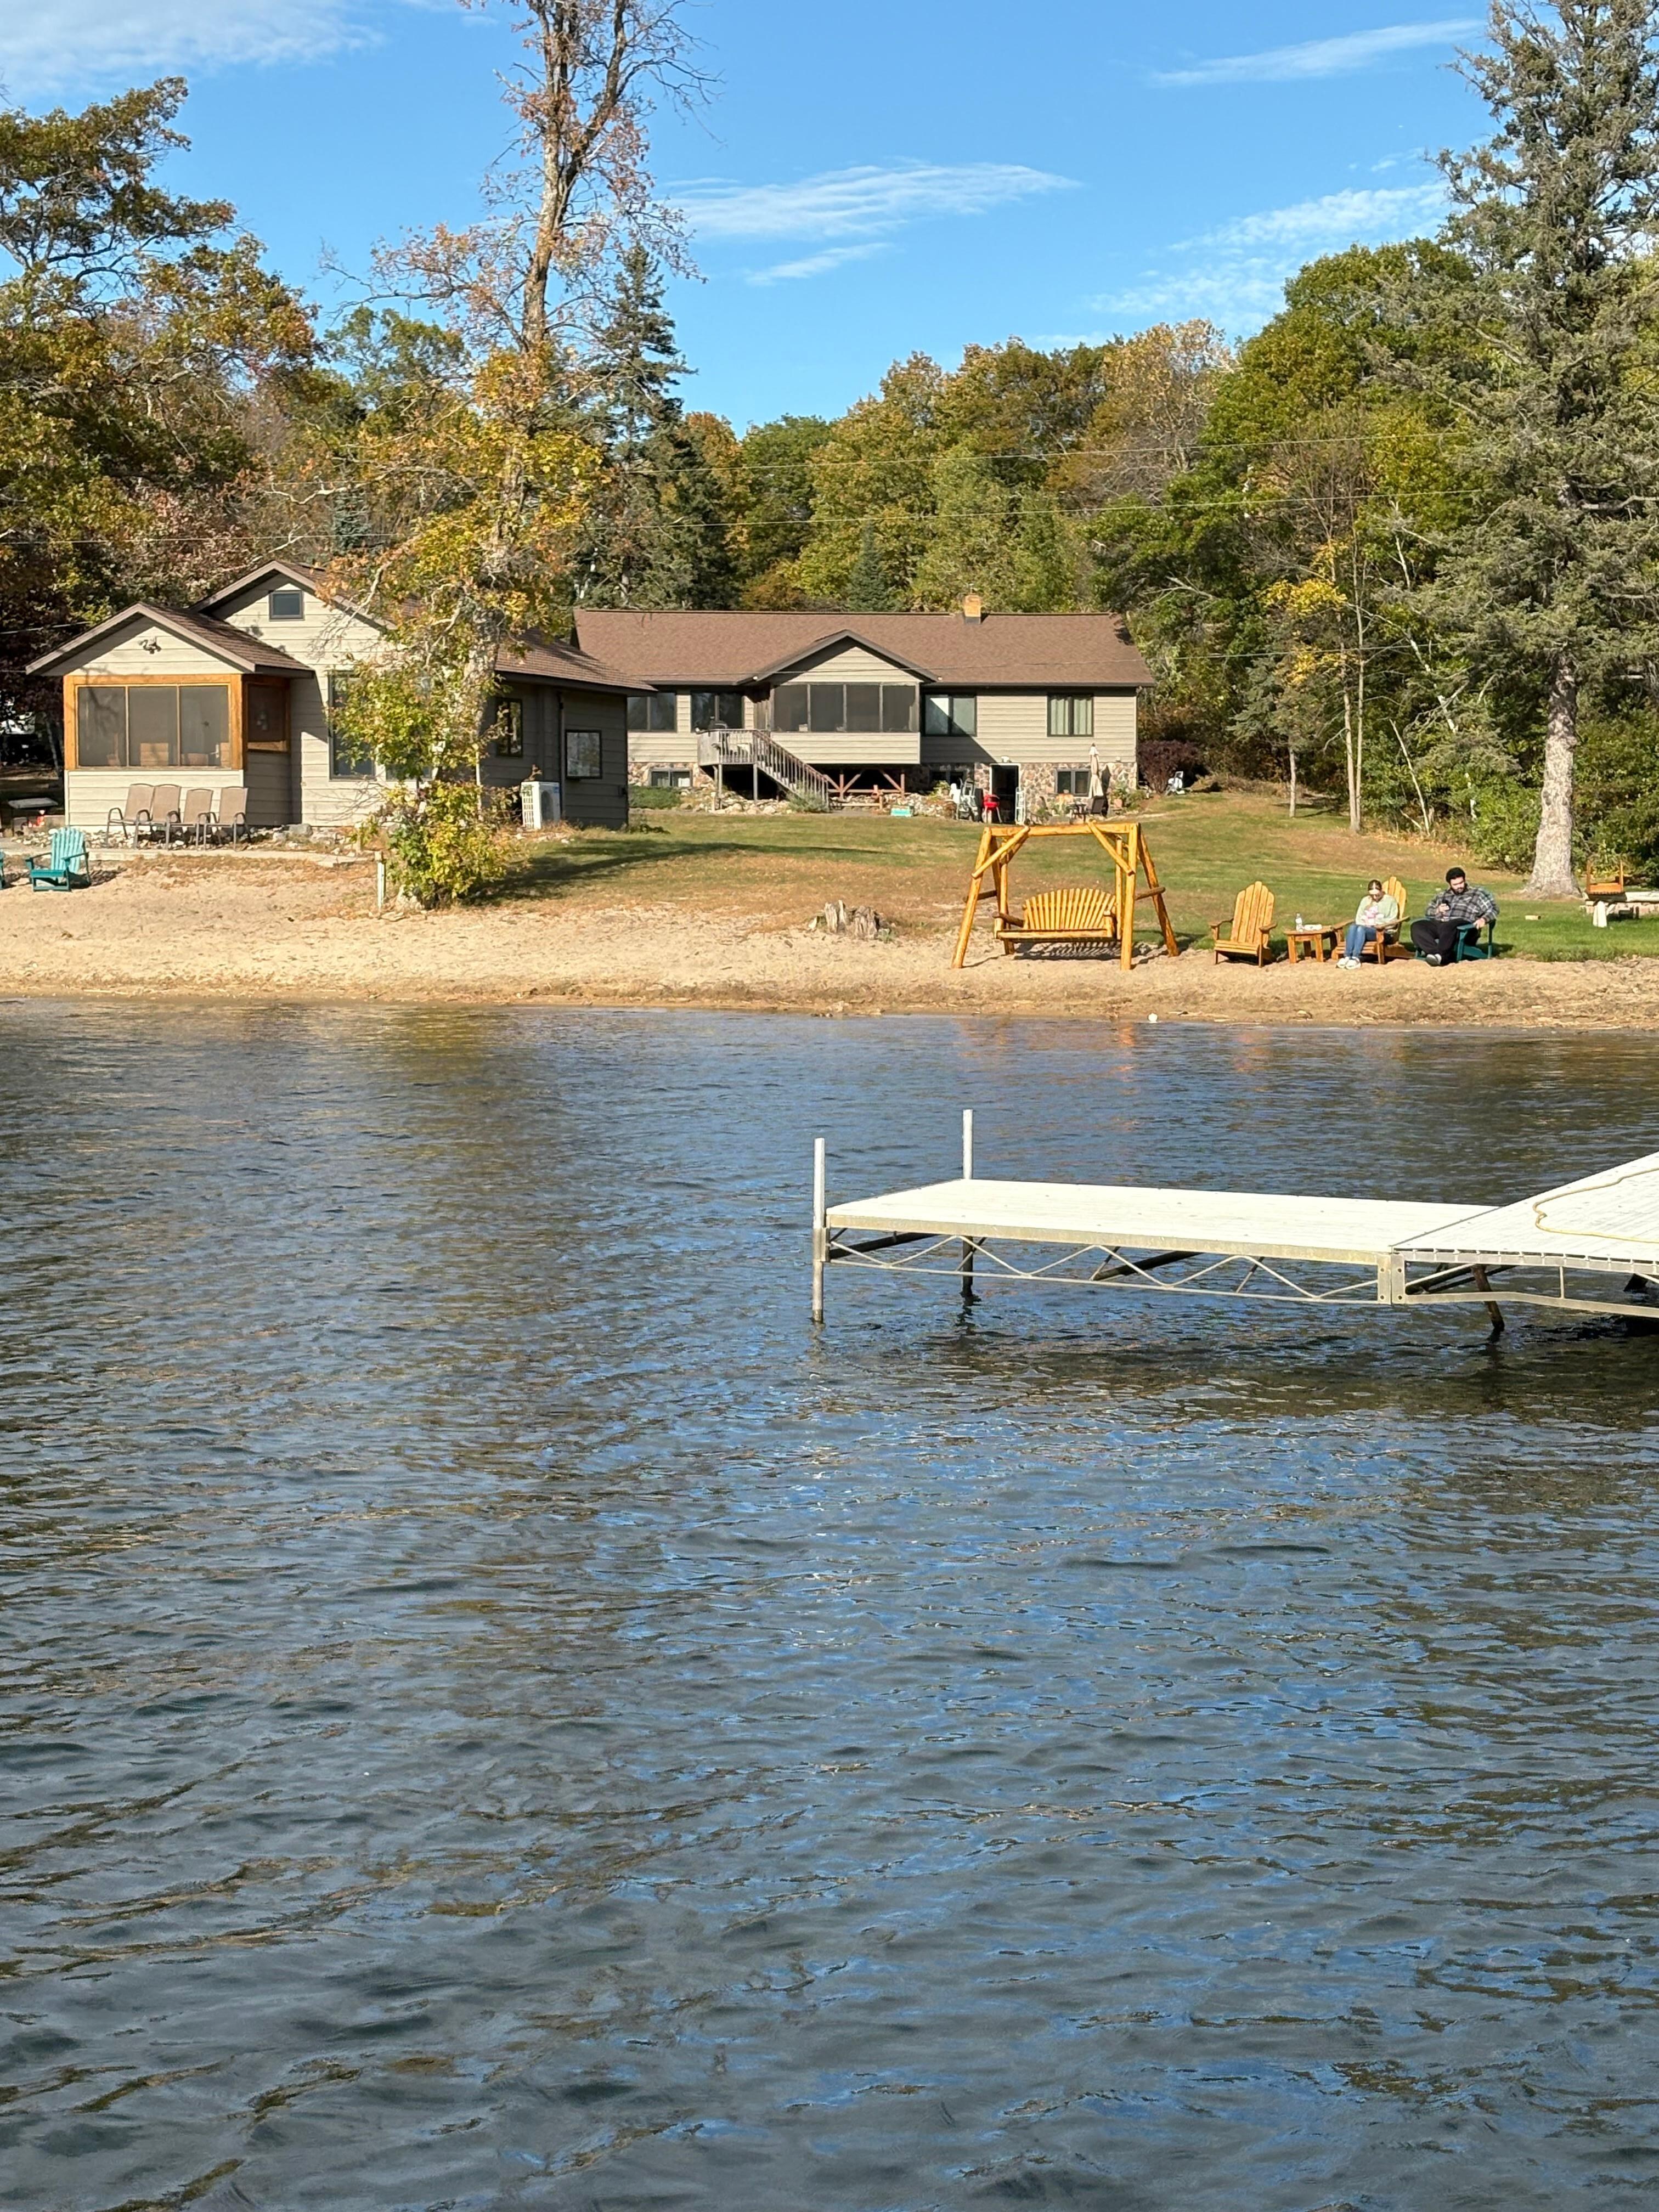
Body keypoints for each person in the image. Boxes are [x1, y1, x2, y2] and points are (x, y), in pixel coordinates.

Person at [1409, 866, 1498, 965]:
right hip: (1442, 925)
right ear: (1450, 884)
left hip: (1464, 928)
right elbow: (1428, 912)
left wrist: (1484, 919)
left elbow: (1494, 909)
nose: (1459, 886)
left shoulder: (1478, 894)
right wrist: (1437, 910)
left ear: (1465, 880)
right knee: (1417, 926)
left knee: (1450, 925)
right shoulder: (1443, 895)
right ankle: (1436, 953)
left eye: (1461, 883)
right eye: (1455, 885)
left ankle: (1442, 956)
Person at [1337, 878, 1399, 967]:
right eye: (1372, 895)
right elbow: (1358, 919)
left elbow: (1393, 922)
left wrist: (1376, 922)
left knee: (1361, 929)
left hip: (1384, 933)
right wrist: (1366, 922)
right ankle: (1347, 956)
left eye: (1377, 895)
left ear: (1382, 891)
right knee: (1353, 927)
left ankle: (1356, 957)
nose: (1375, 898)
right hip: (1366, 928)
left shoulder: (1390, 901)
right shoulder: (1365, 901)